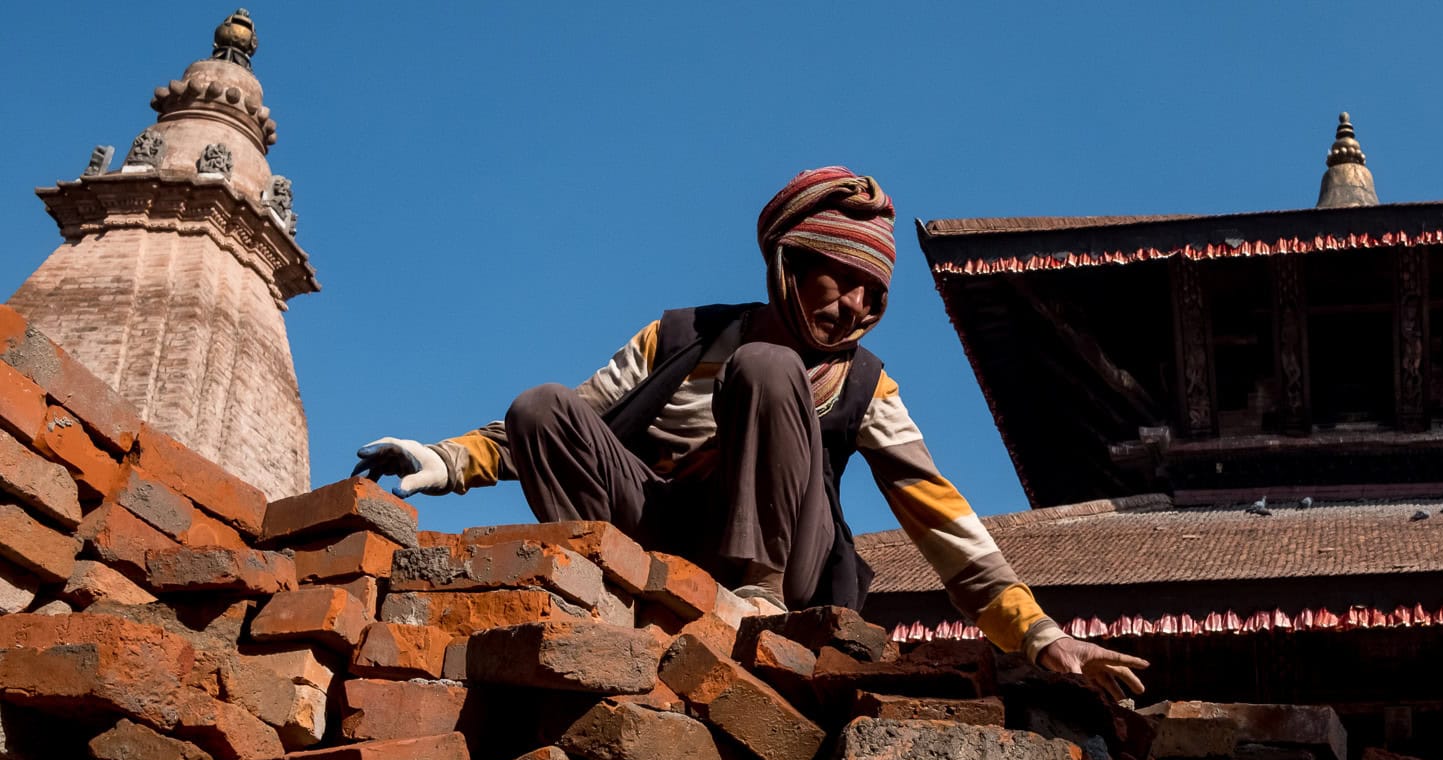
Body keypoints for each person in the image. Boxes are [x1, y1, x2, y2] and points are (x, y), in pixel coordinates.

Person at [354, 166, 1147, 698]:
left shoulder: (866, 385)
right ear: (788, 262)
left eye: (877, 296)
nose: (857, 310)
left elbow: (942, 517)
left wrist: (1038, 634)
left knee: (769, 368)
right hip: (658, 534)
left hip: (782, 569)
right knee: (540, 406)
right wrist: (448, 459)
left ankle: (749, 600)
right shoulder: (682, 336)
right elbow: (569, 420)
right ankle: (599, 581)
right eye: (843, 281)